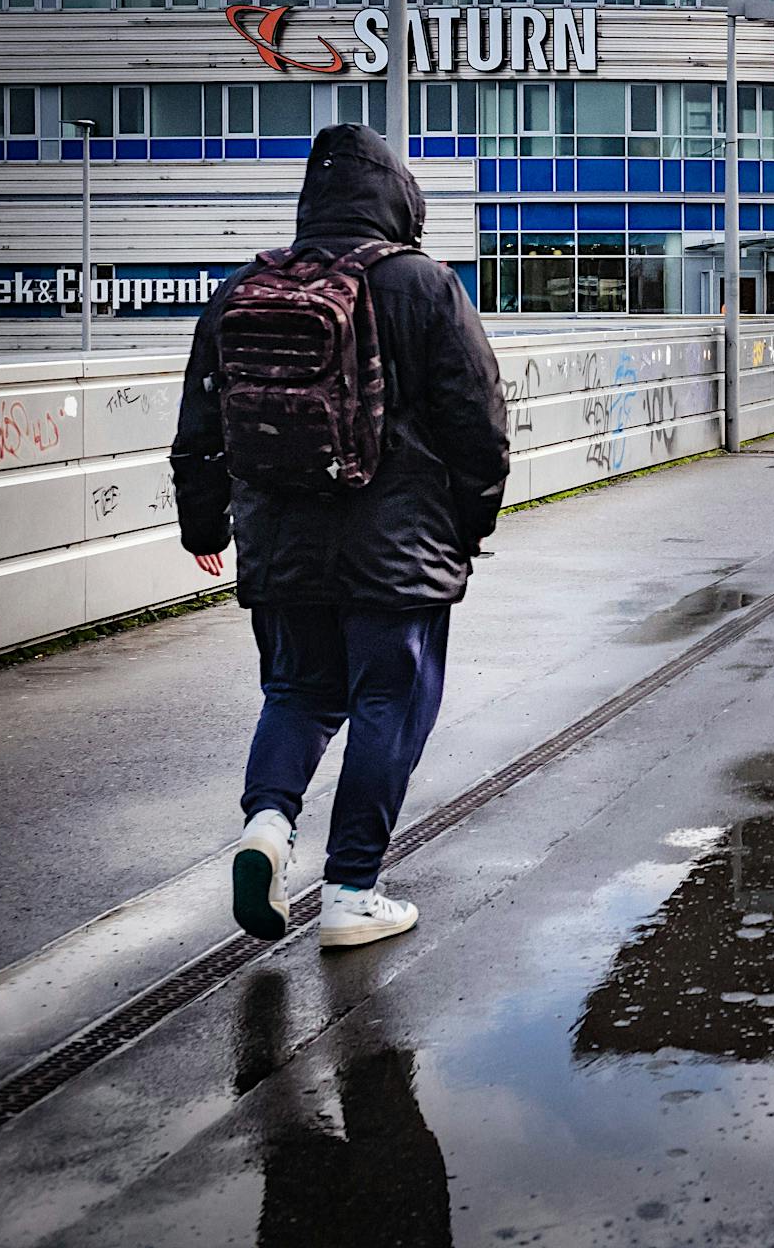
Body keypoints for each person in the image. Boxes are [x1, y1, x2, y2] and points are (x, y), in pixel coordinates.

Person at [172, 124, 509, 952]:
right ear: (396, 197)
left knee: (297, 692)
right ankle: (352, 892)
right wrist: (469, 525)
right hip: (397, 547)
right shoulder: (423, 284)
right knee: (389, 704)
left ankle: (267, 825)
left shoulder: (243, 289)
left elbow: (200, 425)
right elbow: (478, 419)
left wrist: (205, 524)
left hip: (279, 544)